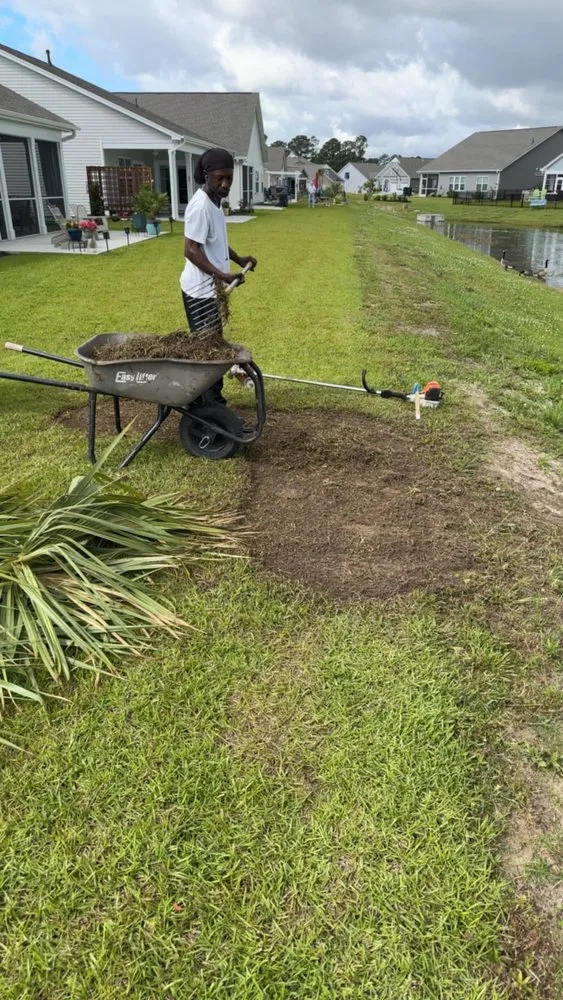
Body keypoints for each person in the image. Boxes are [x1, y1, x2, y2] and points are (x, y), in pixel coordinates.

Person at [181, 147, 257, 404]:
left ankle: (210, 400)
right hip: (200, 293)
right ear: (206, 175)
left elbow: (216, 243)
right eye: (219, 178)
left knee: (213, 346)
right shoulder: (201, 207)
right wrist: (222, 275)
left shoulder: (215, 202)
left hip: (211, 290)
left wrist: (239, 259)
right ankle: (210, 405)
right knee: (209, 352)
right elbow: (191, 250)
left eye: (229, 179)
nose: (225, 184)